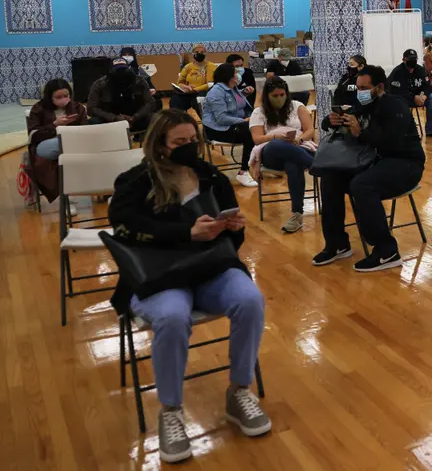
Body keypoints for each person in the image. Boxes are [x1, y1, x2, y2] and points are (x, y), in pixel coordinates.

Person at [107, 109, 270, 463]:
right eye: (179, 142)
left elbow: (234, 241)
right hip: (160, 273)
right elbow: (123, 230)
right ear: (159, 144)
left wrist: (234, 227)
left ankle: (239, 390)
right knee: (171, 317)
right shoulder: (135, 182)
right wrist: (186, 232)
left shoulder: (211, 176)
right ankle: (171, 410)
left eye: (192, 141)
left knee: (250, 300)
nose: (188, 148)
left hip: (210, 266)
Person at [313, 65, 424, 272]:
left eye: (365, 87)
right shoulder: (363, 105)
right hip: (374, 161)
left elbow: (393, 145)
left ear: (380, 87)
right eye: (358, 88)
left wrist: (360, 133)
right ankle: (337, 243)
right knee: (330, 178)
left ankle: (386, 250)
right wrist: (330, 121)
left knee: (362, 185)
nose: (360, 92)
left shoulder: (394, 106)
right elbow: (348, 124)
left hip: (405, 164)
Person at [249, 77, 316, 233]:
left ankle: (297, 214)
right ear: (267, 96)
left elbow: (310, 130)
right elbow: (257, 139)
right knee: (278, 145)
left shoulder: (297, 106)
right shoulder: (258, 112)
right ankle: (316, 165)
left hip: (299, 147)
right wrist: (276, 137)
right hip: (271, 152)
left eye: (282, 95)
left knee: (293, 164)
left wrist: (299, 139)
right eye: (275, 96)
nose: (279, 98)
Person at [27, 78, 88, 208]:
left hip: (73, 143)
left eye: (66, 95)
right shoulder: (38, 108)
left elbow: (84, 131)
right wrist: (55, 125)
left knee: (67, 155)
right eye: (58, 97)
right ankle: (68, 196)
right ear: (50, 97)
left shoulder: (79, 108)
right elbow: (33, 135)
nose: (63, 99)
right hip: (46, 145)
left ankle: (66, 195)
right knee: (65, 146)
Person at [201, 63, 258, 188]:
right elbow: (221, 119)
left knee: (258, 125)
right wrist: (243, 121)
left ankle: (261, 163)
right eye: (236, 72)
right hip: (217, 129)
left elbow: (234, 104)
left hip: (233, 125)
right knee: (250, 131)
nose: (238, 75)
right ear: (229, 76)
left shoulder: (233, 88)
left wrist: (244, 93)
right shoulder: (216, 92)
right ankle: (244, 170)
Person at [88, 57, 156, 133]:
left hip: (135, 119)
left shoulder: (140, 81)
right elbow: (91, 108)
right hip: (109, 121)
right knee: (93, 121)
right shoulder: (99, 84)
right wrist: (114, 118)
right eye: (118, 70)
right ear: (110, 71)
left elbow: (150, 102)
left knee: (156, 119)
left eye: (124, 69)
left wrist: (135, 117)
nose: (122, 73)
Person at [387, 49, 432, 138]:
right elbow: (396, 91)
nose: (412, 61)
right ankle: (409, 131)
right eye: (410, 59)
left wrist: (424, 95)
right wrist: (414, 97)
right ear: (403, 60)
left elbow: (428, 86)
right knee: (399, 101)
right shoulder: (397, 72)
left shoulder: (420, 70)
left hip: (420, 97)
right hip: (404, 98)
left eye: (414, 59)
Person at [172, 43, 216, 114]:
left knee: (198, 100)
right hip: (188, 92)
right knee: (175, 99)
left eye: (202, 52)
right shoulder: (188, 66)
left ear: (205, 54)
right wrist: (186, 87)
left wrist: (195, 90)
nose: (199, 54)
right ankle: (178, 120)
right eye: (197, 52)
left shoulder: (211, 66)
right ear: (192, 54)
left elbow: (209, 84)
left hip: (203, 92)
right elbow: (179, 82)